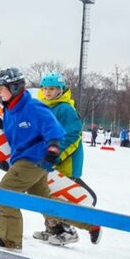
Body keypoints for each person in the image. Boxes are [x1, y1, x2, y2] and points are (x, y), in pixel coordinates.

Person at [0, 67, 66, 252]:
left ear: (13, 88)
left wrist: (52, 149)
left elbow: (53, 129)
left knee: (4, 194)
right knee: (44, 200)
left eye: (1, 88)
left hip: (35, 159)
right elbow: (16, 141)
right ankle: (89, 222)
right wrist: (6, 161)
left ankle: (9, 240)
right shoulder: (10, 111)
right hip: (25, 159)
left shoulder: (32, 106)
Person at [33, 72, 101, 246]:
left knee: (58, 196)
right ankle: (53, 230)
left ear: (61, 90)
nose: (48, 92)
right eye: (45, 88)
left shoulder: (65, 109)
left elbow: (72, 135)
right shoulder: (44, 106)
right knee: (47, 193)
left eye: (53, 89)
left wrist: (56, 156)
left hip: (65, 162)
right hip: (48, 159)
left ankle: (68, 230)